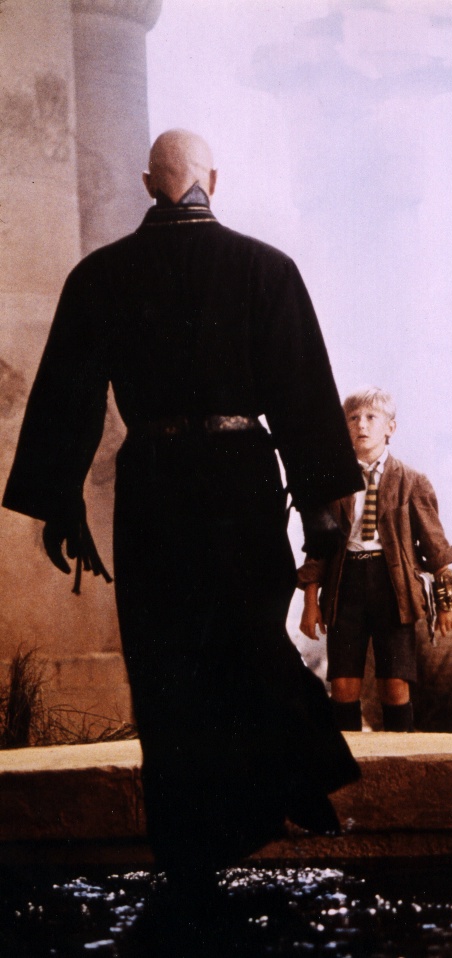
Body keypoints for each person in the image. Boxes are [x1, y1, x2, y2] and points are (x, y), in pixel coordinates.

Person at [3, 130, 363, 906]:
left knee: (166, 668)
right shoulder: (267, 269)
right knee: (250, 639)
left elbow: (67, 397)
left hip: (156, 488)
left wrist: (61, 504)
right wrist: (321, 517)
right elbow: (302, 396)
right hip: (240, 482)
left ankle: (189, 856)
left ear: (146, 183)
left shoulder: (101, 275)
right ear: (213, 180)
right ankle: (296, 779)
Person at [298, 386, 452, 733]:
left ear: (390, 427)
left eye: (372, 417)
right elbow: (319, 548)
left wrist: (447, 602)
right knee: (343, 685)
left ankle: (402, 755)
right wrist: (310, 602)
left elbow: (436, 547)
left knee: (394, 684)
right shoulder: (333, 483)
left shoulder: (412, 482)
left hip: (394, 588)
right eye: (353, 418)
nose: (362, 425)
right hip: (346, 586)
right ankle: (350, 757)